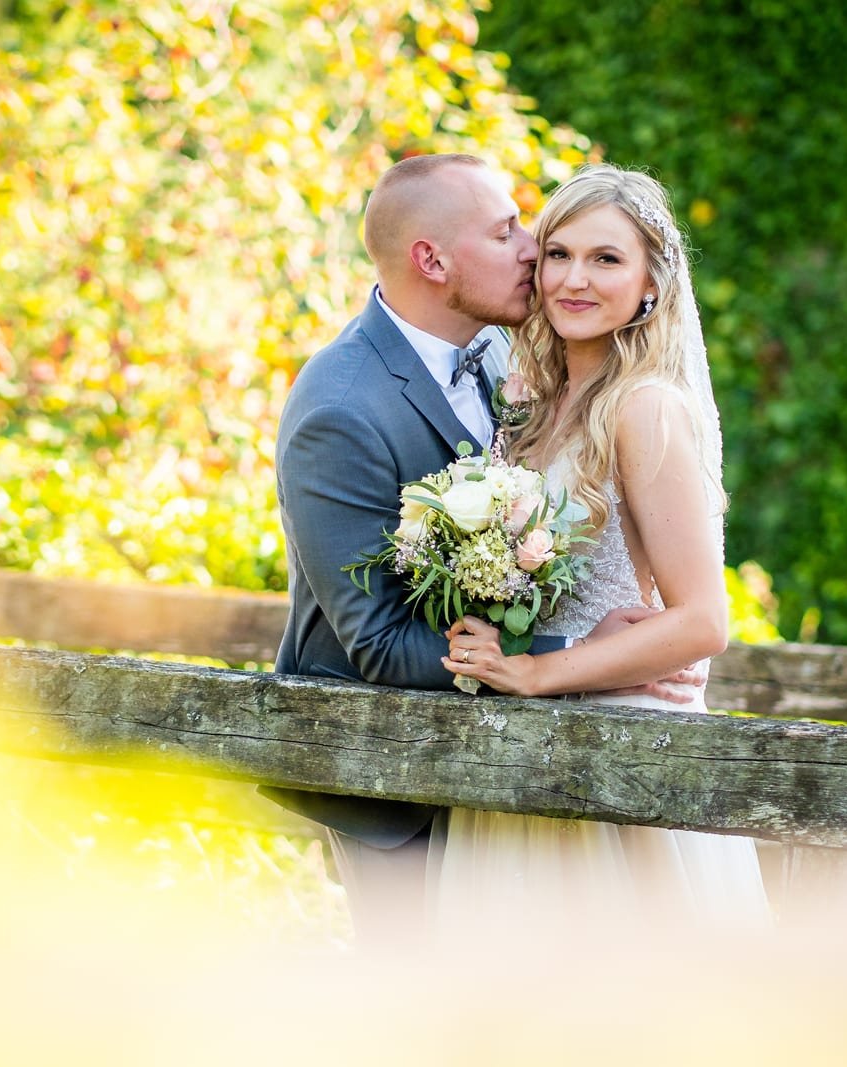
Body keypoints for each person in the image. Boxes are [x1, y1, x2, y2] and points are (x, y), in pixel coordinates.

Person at [266, 154, 702, 948]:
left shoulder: (517, 364)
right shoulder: (341, 407)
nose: (536, 254)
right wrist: (571, 655)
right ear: (432, 260)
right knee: (430, 997)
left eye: (599, 255)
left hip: (546, 757)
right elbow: (381, 643)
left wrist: (594, 658)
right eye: (509, 234)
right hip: (393, 778)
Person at [438, 162, 771, 932]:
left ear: (651, 283)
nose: (574, 279)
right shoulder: (528, 406)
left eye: (606, 258)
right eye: (559, 254)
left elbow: (702, 622)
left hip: (616, 756)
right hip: (519, 751)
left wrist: (536, 671)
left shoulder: (645, 408)